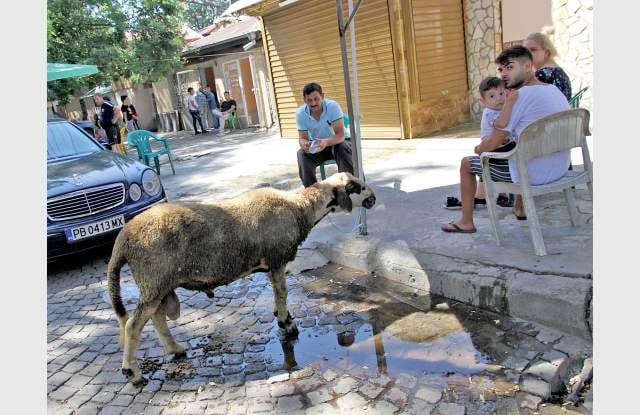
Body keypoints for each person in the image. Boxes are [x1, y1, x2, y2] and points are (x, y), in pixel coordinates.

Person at [441, 45, 570, 233]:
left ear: (527, 66)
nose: (503, 74)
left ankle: (466, 222)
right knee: (519, 149)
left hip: (533, 175)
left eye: (510, 67)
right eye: (501, 69)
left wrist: (479, 149)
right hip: (560, 167)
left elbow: (491, 145)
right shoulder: (553, 90)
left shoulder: (519, 96)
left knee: (467, 164)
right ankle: (520, 207)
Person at [444, 76, 517, 210]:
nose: (499, 98)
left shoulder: (499, 110)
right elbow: (501, 126)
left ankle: (487, 196)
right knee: (505, 158)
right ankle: (501, 195)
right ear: (483, 101)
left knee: (486, 170)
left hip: (496, 147)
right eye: (492, 96)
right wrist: (511, 105)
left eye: (501, 94)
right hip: (494, 148)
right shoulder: (491, 113)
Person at [295, 82, 354, 187]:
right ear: (304, 100)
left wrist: (325, 142)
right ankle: (312, 193)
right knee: (301, 154)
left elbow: (340, 135)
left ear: (322, 96)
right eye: (309, 100)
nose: (313, 103)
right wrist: (304, 144)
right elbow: (302, 138)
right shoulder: (300, 113)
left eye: (316, 99)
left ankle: (349, 187)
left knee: (342, 147)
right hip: (318, 146)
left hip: (339, 142)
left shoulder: (332, 106)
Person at [523, 30, 572, 101]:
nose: (528, 54)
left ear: (546, 52)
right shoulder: (558, 70)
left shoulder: (542, 74)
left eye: (533, 50)